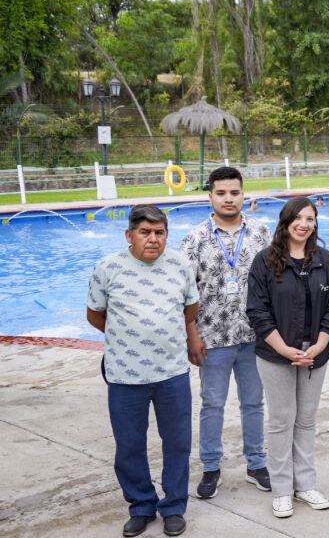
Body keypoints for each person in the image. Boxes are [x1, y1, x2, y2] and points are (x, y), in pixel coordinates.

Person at [86, 204, 199, 537]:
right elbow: (95, 315)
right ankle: (141, 505)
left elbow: (190, 308)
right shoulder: (107, 268)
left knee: (177, 442)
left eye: (159, 232)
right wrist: (128, 337)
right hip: (125, 375)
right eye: (145, 232)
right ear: (129, 235)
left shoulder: (179, 265)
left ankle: (174, 506)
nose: (153, 239)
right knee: (129, 446)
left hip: (172, 372)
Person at [246, 196, 329, 519]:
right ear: (285, 221)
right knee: (281, 420)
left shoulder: (324, 260)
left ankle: (305, 484)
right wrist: (283, 349)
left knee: (306, 419)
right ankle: (282, 490)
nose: (304, 224)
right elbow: (257, 312)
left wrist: (321, 343)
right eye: (298, 218)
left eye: (310, 219)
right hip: (276, 354)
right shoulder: (265, 261)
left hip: (315, 353)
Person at [180, 167, 272, 500]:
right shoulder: (194, 239)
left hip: (254, 337)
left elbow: (275, 282)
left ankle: (256, 464)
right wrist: (191, 335)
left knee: (254, 403)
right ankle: (211, 467)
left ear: (243, 195)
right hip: (212, 339)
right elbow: (185, 293)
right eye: (221, 193)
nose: (228, 199)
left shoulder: (262, 233)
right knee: (212, 404)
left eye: (234, 192)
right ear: (210, 196)